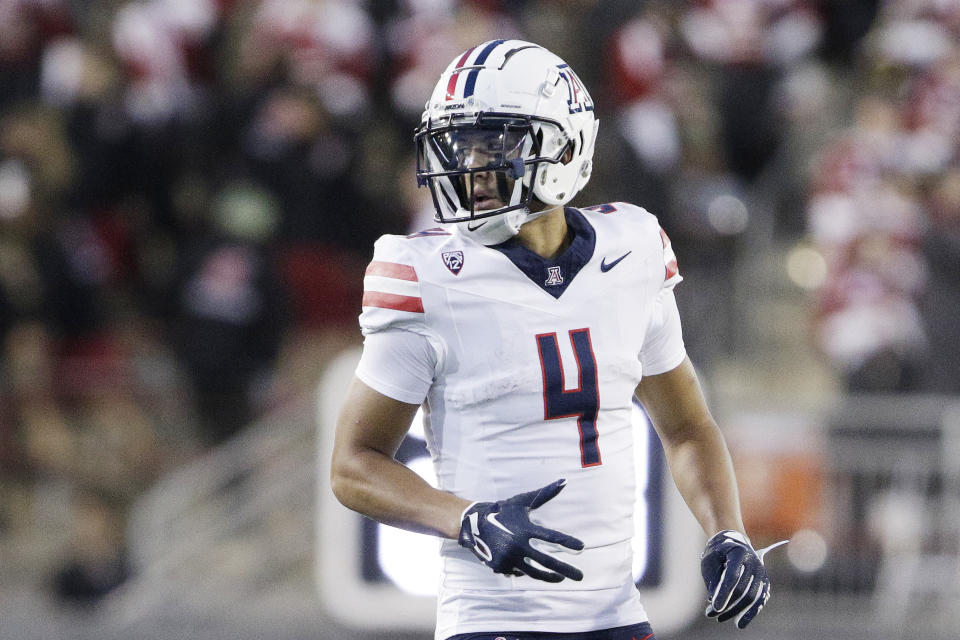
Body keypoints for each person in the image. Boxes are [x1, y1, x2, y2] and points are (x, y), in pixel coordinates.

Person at [331, 39, 780, 640]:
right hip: (491, 623)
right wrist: (464, 519)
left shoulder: (633, 249)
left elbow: (688, 427)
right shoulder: (425, 275)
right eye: (459, 144)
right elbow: (353, 464)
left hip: (619, 619)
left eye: (494, 144)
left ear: (563, 145)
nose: (470, 165)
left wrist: (728, 530)